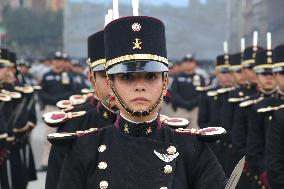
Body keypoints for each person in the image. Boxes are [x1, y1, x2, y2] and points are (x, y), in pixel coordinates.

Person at [57, 15, 227, 189]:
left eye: (151, 77)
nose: (140, 86)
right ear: (111, 84)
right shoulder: (85, 149)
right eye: (127, 77)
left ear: (165, 82)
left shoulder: (192, 149)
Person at [45, 30, 117, 189]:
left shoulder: (166, 133)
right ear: (92, 79)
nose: (114, 84)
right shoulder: (72, 127)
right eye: (106, 75)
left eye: (125, 76)